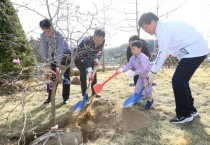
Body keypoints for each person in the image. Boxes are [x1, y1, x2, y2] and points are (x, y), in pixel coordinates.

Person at [139, 12, 209, 123]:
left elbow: (162, 52)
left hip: (194, 51)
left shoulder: (163, 29)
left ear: (153, 22)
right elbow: (166, 52)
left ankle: (184, 115)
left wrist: (153, 73)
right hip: (194, 50)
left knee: (178, 81)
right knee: (182, 81)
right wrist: (154, 67)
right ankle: (191, 110)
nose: (146, 31)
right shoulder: (163, 27)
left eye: (146, 27)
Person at [39, 19, 71, 105]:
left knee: (66, 77)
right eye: (44, 31)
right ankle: (50, 97)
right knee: (51, 78)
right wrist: (46, 62)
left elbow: (60, 50)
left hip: (65, 55)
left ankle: (65, 98)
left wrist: (59, 65)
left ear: (52, 27)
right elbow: (44, 49)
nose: (47, 33)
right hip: (53, 55)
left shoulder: (59, 34)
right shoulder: (43, 36)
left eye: (48, 30)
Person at [118, 40, 154, 109]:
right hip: (141, 76)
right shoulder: (132, 58)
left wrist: (134, 73)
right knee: (137, 88)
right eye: (131, 49)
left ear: (139, 49)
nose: (132, 50)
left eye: (134, 49)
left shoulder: (144, 57)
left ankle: (150, 100)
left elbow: (143, 68)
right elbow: (129, 65)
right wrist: (122, 69)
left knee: (147, 89)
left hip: (149, 76)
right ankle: (136, 99)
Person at [74, 28, 105, 99]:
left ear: (102, 39)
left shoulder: (102, 42)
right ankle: (85, 95)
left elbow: (99, 52)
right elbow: (86, 56)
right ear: (93, 36)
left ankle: (94, 92)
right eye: (95, 39)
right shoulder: (87, 41)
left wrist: (97, 59)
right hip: (80, 58)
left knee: (94, 73)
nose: (97, 42)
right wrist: (89, 71)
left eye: (99, 40)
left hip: (91, 58)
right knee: (83, 75)